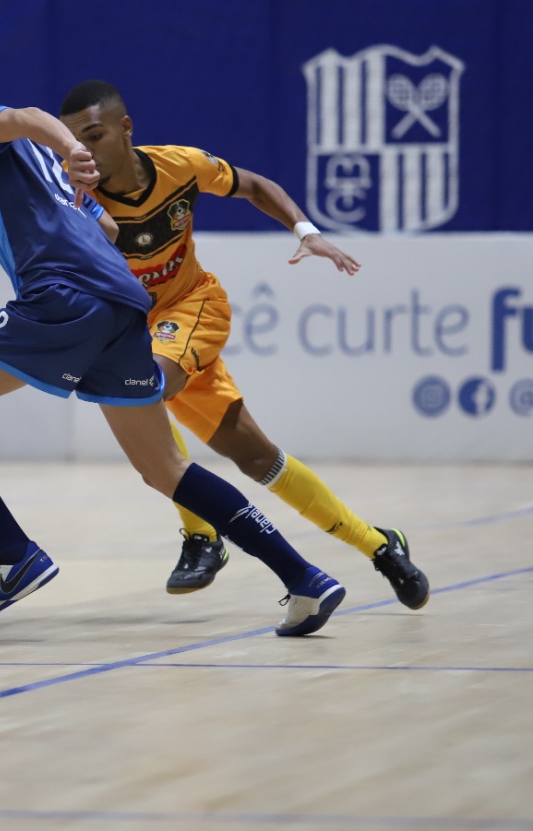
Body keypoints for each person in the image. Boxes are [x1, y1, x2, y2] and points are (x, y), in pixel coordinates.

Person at [0, 40, 348, 637]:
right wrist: (68, 169)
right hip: (124, 306)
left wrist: (73, 147)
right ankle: (305, 579)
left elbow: (25, 115)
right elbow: (101, 221)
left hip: (58, 299)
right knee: (166, 468)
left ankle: (13, 554)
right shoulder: (21, 158)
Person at [58, 80, 429, 610]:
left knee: (144, 386)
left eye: (93, 136)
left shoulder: (180, 166)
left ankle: (202, 536)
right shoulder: (72, 196)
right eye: (71, 142)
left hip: (191, 308)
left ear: (125, 129)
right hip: (134, 328)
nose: (84, 152)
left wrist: (305, 230)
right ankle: (378, 543)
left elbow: (253, 186)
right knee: (258, 458)